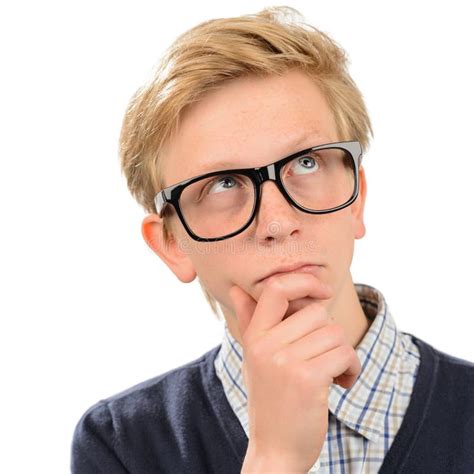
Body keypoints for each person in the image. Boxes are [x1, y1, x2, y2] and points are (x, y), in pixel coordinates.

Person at [71, 6, 474, 473]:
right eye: (223, 184)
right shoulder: (122, 446)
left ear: (357, 199)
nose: (278, 222)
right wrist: (274, 459)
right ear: (173, 244)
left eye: (306, 163)